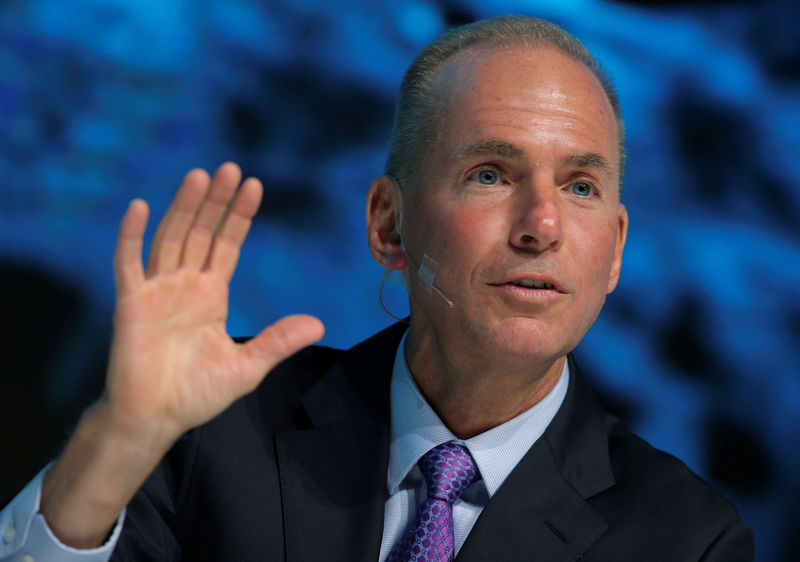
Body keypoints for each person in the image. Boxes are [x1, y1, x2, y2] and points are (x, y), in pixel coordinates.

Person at [0, 15, 753, 561]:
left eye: (581, 186)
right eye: (491, 174)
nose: (543, 224)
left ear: (615, 250)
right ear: (390, 225)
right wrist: (122, 438)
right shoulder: (215, 430)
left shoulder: (689, 539)